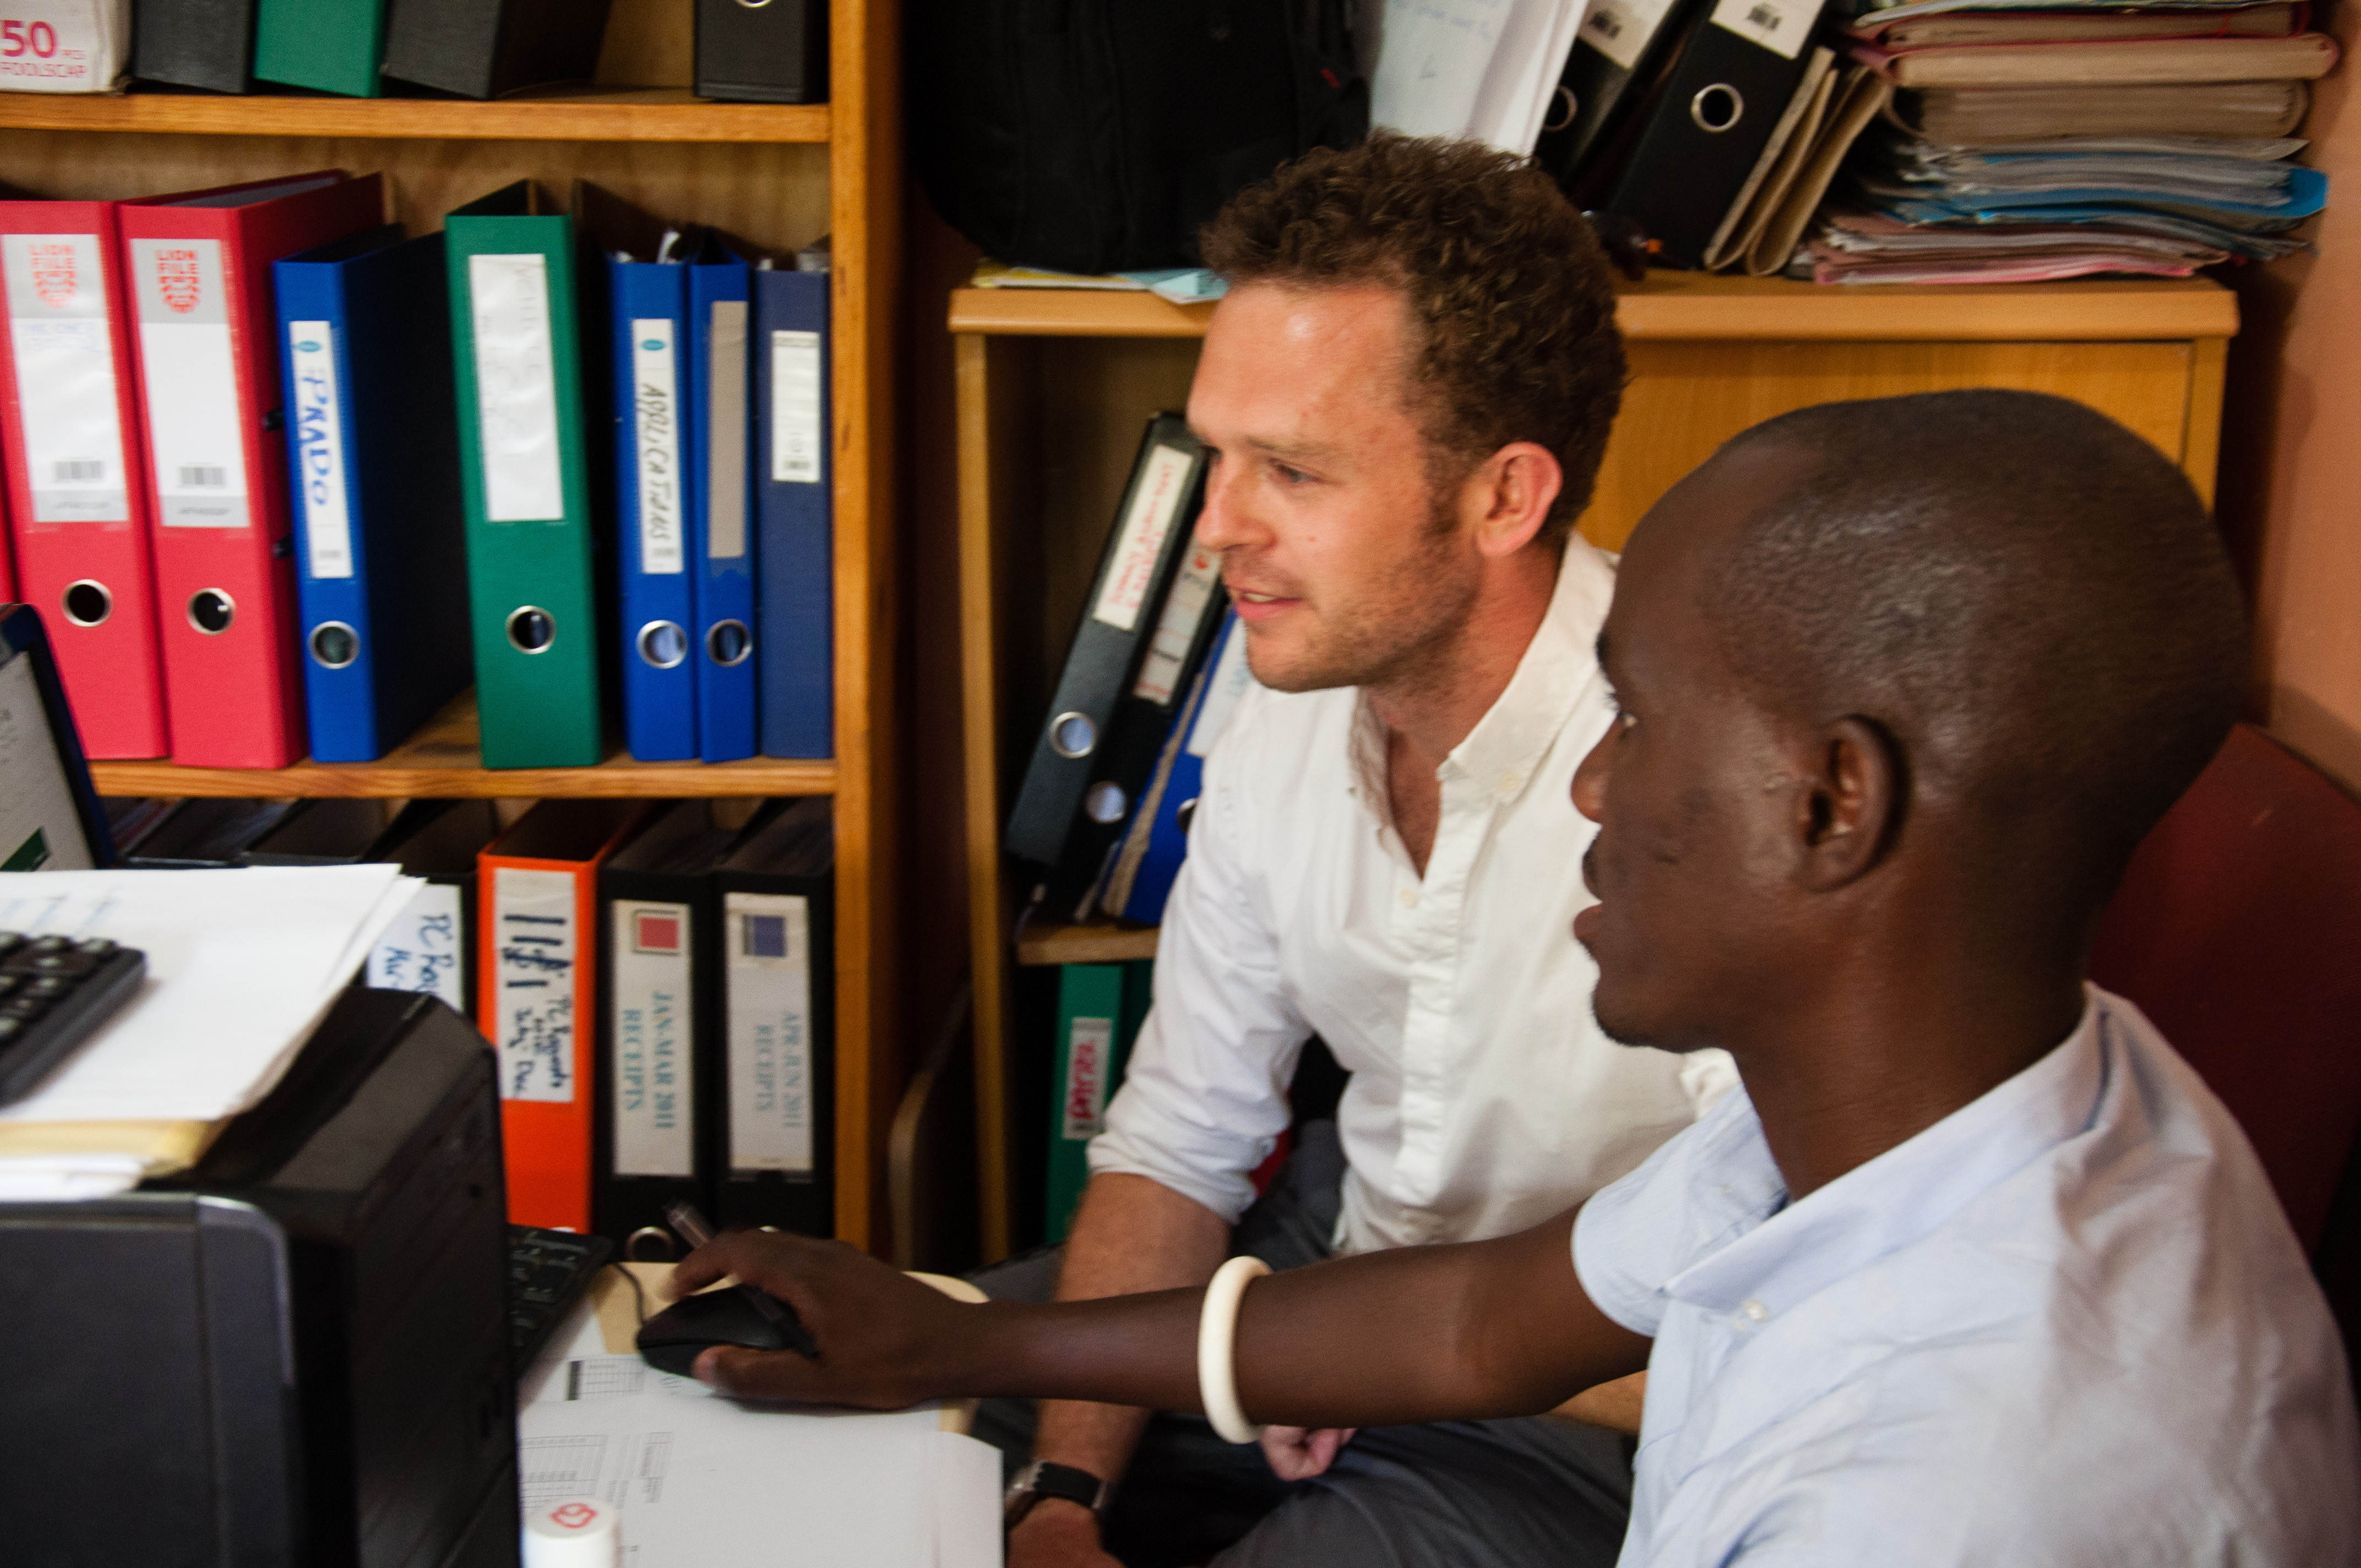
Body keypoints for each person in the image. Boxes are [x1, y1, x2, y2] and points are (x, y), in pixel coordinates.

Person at [671, 389, 2361, 1565]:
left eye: (1638, 718)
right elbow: (1481, 1321)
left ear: (1833, 804)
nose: (1597, 787)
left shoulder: (1954, 1496)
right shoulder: (1992, 1092)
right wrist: (964, 1344)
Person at [973, 133, 1731, 1567]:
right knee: (874, 1402)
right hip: (1338, 1273)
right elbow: (1179, 1141)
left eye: (1295, 471)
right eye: (1218, 457)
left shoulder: (1706, 782)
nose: (1218, 533)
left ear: (1503, 497)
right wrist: (1065, 1499)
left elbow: (1809, 1321)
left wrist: (1349, 1358)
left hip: (1596, 1402)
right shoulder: (1282, 704)